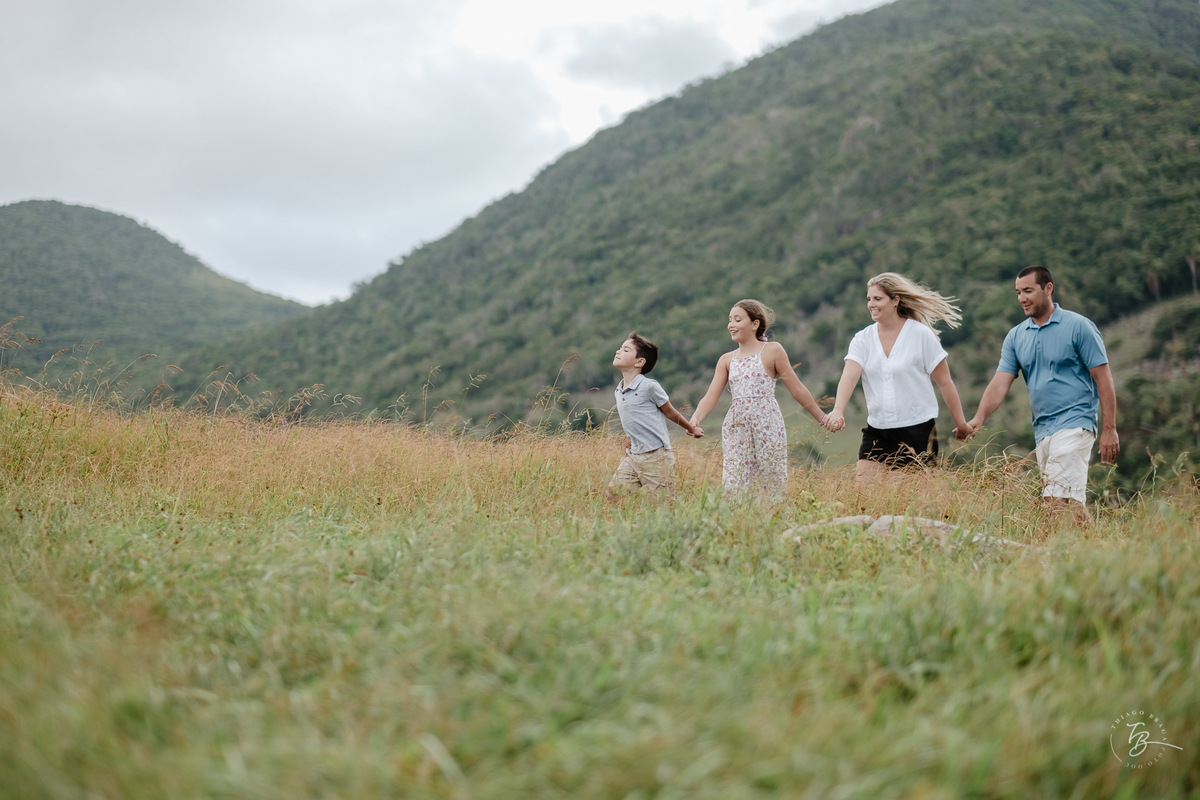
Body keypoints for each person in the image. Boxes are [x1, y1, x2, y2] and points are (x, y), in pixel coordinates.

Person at [965, 265, 1119, 523]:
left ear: (1048, 289)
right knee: (1065, 503)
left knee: (1056, 500)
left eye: (1028, 290)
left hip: (1075, 424)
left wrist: (1109, 428)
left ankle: (1063, 555)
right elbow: (1000, 383)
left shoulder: (1079, 326)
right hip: (1043, 430)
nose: (1021, 298)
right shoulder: (1015, 336)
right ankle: (1096, 549)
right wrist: (978, 419)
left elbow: (1103, 378)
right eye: (1018, 292)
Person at [823, 272, 973, 484]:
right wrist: (838, 410)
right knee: (863, 496)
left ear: (895, 300)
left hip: (918, 430)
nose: (871, 304)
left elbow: (945, 382)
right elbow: (849, 375)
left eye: (877, 299)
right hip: (878, 430)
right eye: (869, 299)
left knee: (913, 503)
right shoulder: (863, 339)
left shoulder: (921, 335)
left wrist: (962, 423)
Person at [689, 299, 827, 499]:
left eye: (738, 319)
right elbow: (711, 397)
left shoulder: (773, 350)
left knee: (772, 480)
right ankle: (738, 524)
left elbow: (797, 389)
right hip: (736, 425)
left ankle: (774, 522)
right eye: (730, 320)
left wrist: (822, 418)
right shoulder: (726, 359)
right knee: (734, 481)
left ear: (755, 324)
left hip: (767, 422)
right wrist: (695, 419)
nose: (731, 325)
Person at [606, 332, 703, 501]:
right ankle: (632, 525)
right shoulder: (619, 389)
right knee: (614, 494)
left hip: (656, 456)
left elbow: (670, 412)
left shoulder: (649, 386)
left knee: (662, 505)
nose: (618, 351)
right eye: (620, 348)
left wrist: (691, 428)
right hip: (633, 455)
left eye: (626, 350)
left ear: (639, 362)